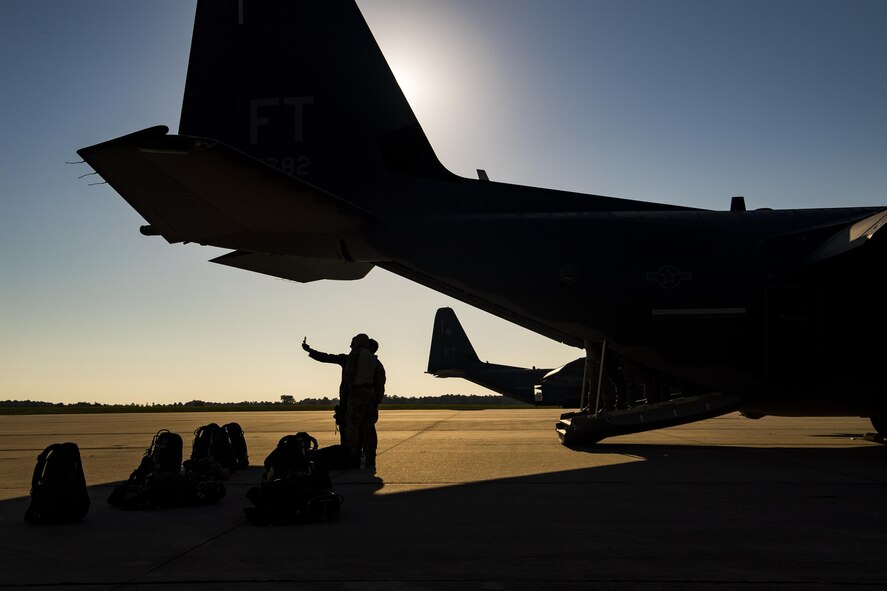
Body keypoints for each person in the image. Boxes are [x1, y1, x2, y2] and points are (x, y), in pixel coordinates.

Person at [302, 334, 369, 445]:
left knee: (349, 428)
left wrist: (309, 350)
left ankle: (349, 453)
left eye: (353, 343)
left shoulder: (347, 359)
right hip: (362, 401)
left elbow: (326, 357)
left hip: (351, 401)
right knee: (361, 429)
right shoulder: (372, 362)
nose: (350, 346)